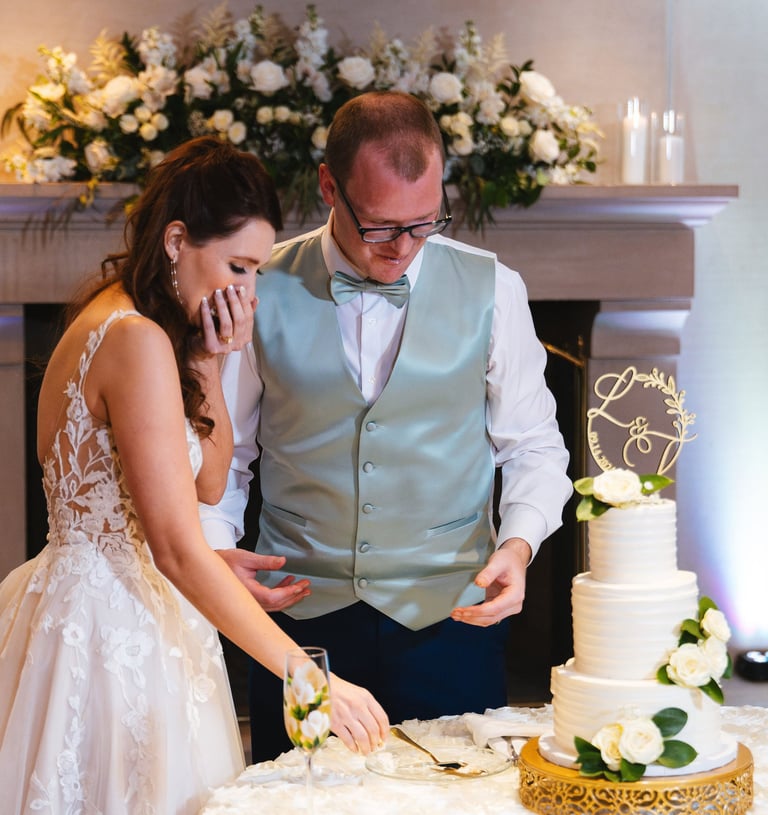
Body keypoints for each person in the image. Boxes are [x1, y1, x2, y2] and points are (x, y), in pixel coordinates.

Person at [0, 136, 388, 814]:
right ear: (178, 239)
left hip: (85, 600)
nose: (248, 290)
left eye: (258, 271)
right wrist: (305, 675)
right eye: (238, 265)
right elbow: (176, 546)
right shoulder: (136, 340)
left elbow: (205, 488)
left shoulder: (118, 318)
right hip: (113, 632)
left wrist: (211, 359)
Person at [200, 92, 573, 763]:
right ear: (328, 185)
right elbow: (225, 455)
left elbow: (534, 445)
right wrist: (218, 556)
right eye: (378, 227)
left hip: (452, 625)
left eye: (424, 224)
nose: (403, 248)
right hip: (298, 628)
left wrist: (517, 547)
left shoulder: (495, 288)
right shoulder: (260, 285)